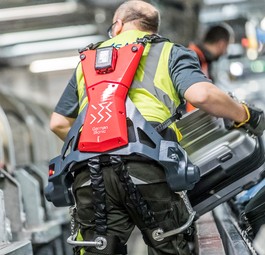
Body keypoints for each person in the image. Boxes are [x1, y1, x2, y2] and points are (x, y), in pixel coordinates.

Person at [49, 1, 264, 254]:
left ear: (117, 25)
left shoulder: (88, 61)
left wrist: (93, 147)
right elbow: (202, 95)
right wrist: (246, 114)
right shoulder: (169, 52)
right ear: (152, 28)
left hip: (90, 175)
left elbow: (59, 123)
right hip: (148, 167)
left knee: (98, 248)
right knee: (170, 244)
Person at [186, 24, 232, 112]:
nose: (225, 51)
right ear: (221, 44)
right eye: (227, 46)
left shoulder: (202, 59)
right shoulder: (192, 57)